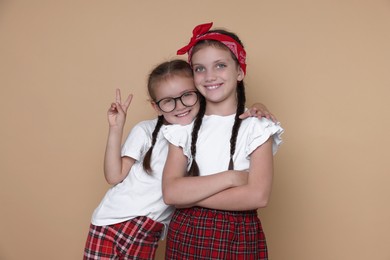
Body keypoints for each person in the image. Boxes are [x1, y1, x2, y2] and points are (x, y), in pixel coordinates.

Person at [83, 59, 275, 259]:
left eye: (186, 96)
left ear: (199, 93)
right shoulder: (146, 130)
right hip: (112, 222)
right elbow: (114, 176)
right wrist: (116, 128)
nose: (179, 106)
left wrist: (258, 107)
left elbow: (234, 119)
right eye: (167, 101)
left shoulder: (202, 132)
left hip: (151, 229)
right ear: (156, 107)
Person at [162, 22, 284, 259]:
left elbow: (257, 196)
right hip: (186, 234)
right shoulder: (183, 127)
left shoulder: (257, 126)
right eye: (199, 69)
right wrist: (232, 178)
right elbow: (171, 193)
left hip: (238, 235)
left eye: (220, 65)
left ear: (239, 71)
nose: (210, 76)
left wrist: (190, 198)